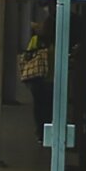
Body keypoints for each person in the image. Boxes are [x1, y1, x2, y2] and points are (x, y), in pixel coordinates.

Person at [21, 14, 55, 145]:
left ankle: (40, 133)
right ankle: (48, 133)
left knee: (39, 107)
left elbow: (27, 56)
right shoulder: (60, 41)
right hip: (52, 80)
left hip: (38, 78)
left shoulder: (36, 39)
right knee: (50, 108)